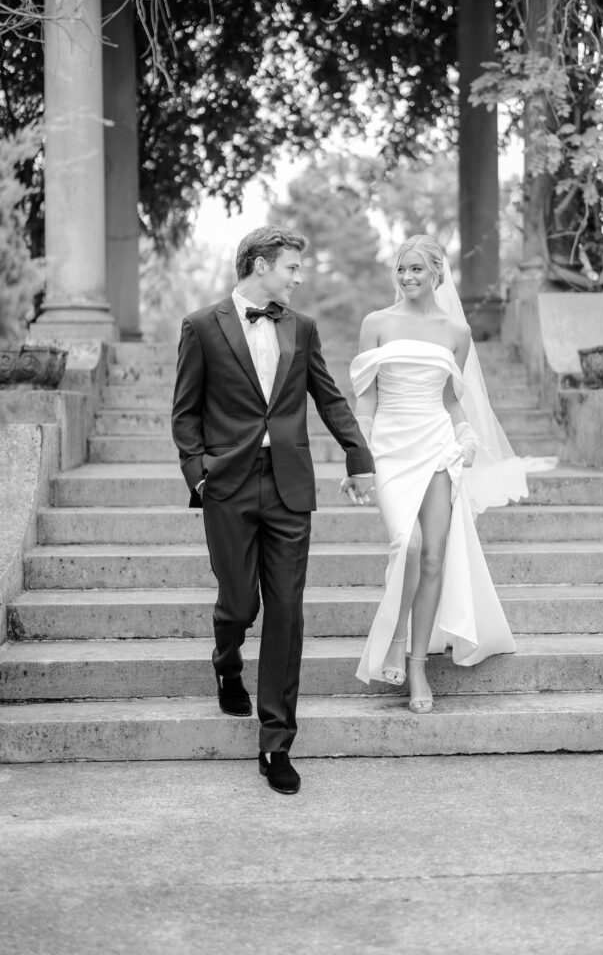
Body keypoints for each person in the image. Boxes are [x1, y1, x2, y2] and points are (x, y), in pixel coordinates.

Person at [172, 226, 375, 793]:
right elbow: (185, 411)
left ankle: (275, 744)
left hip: (289, 486)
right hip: (228, 484)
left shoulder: (301, 328)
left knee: (286, 612)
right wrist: (199, 472)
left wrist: (359, 457)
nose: (298, 277)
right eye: (291, 267)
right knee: (238, 603)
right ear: (261, 265)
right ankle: (226, 660)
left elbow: (328, 396)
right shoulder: (201, 326)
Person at [351, 234, 554, 712]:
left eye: (417, 269)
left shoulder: (456, 333)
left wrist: (465, 437)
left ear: (437, 273)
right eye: (402, 269)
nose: (407, 278)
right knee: (410, 544)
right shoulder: (376, 324)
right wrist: (357, 455)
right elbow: (366, 399)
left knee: (435, 556)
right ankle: (396, 635)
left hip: (438, 444)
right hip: (390, 447)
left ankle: (417, 664)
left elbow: (450, 399)